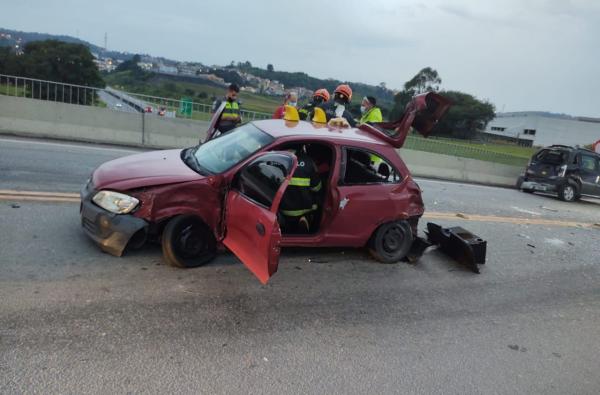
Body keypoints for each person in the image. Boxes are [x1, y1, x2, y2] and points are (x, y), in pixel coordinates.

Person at [279, 145, 322, 234]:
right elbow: (317, 188)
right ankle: (305, 220)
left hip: (284, 209)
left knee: (287, 227)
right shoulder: (308, 162)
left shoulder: (276, 160)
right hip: (305, 207)